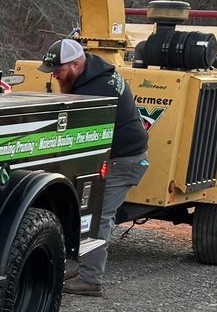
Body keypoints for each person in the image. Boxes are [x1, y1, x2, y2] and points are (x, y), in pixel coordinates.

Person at [39, 38, 149, 298]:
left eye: (58, 70)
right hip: (121, 155)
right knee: (88, 211)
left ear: (76, 64)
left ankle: (91, 280)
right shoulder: (94, 75)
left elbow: (80, 133)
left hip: (124, 161)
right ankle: (85, 270)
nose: (54, 75)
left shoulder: (97, 90)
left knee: (99, 215)